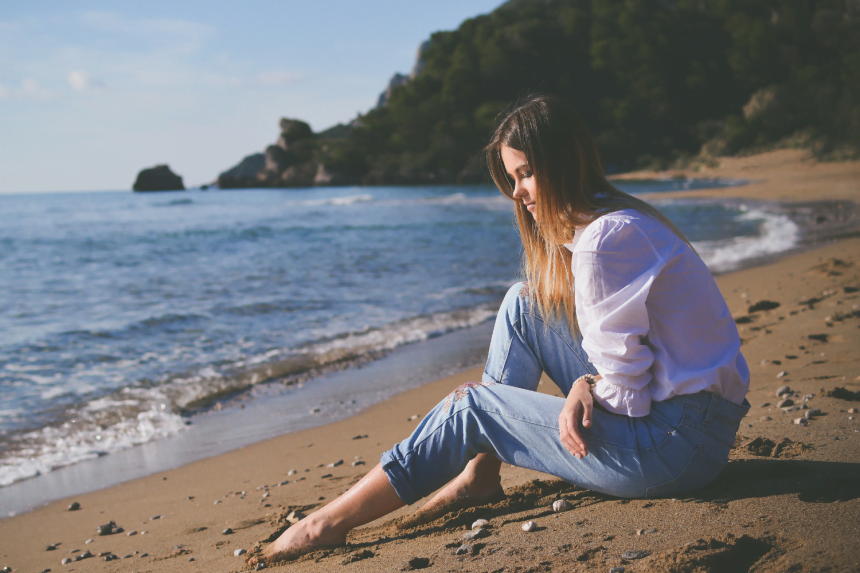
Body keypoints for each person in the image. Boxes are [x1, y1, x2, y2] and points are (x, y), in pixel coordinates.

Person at [248, 94, 750, 565]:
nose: (516, 192)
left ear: (563, 162)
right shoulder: (617, 220)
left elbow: (628, 396)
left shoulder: (603, 241)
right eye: (512, 176)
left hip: (674, 448)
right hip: (694, 428)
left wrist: (586, 385)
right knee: (523, 304)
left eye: (527, 173)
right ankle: (479, 475)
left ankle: (326, 524)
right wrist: (589, 384)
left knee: (471, 408)